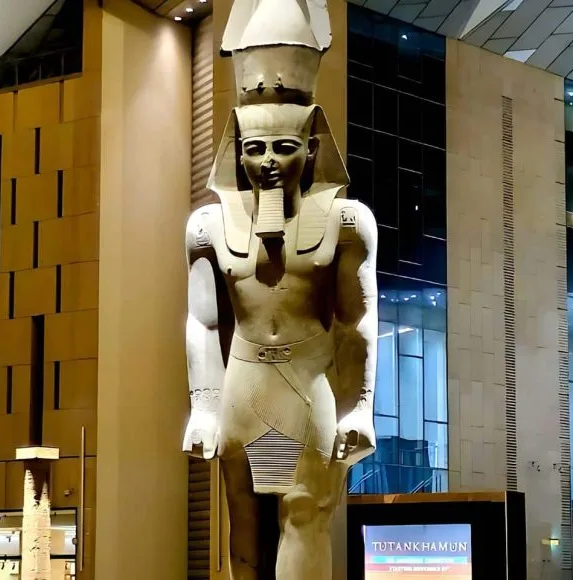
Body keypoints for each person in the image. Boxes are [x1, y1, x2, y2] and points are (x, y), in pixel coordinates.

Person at [181, 2, 379, 576]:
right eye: (255, 149)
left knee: (305, 514)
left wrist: (360, 406)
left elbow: (356, 322)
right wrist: (202, 406)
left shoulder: (346, 223)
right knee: (242, 523)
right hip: (244, 384)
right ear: (236, 151)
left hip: (310, 381)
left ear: (312, 147)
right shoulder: (207, 225)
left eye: (283, 148)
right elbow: (204, 322)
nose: (268, 162)